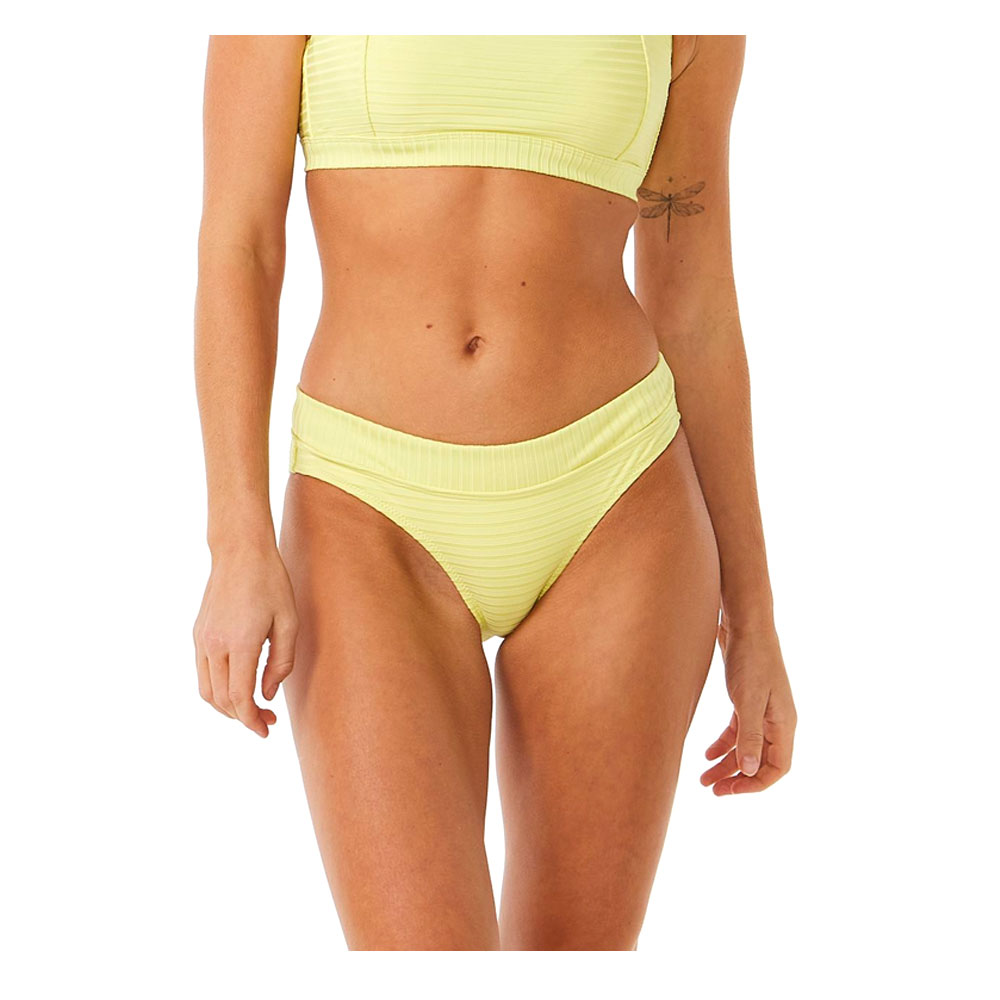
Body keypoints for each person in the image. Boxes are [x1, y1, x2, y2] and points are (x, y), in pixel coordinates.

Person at [192, 34, 796, 951]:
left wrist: (753, 618)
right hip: (368, 505)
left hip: (618, 498)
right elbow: (239, 243)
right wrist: (236, 541)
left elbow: (695, 295)